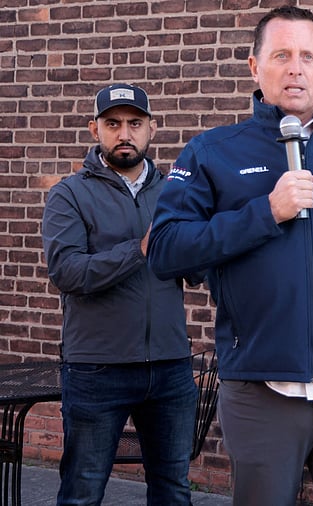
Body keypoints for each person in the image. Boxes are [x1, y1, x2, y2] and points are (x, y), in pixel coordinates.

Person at [146, 6, 313, 505]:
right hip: (259, 393)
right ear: (255, 67)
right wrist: (265, 213)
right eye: (282, 55)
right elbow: (165, 251)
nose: (296, 68)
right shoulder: (212, 152)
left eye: (308, 56)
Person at [42, 83, 198, 506]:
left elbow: (196, 270)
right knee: (82, 491)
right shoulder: (69, 194)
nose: (124, 133)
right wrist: (141, 248)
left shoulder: (176, 193)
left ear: (152, 129)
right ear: (95, 129)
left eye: (134, 123)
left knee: (173, 490)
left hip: (169, 368)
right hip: (97, 370)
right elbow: (68, 272)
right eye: (112, 124)